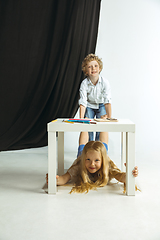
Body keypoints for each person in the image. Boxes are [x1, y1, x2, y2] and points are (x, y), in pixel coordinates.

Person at [46, 132, 139, 194]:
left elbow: (120, 176)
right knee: (82, 145)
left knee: (104, 145)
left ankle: (103, 123)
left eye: (97, 161)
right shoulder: (80, 164)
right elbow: (64, 178)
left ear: (102, 161)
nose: (92, 164)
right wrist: (56, 180)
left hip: (99, 154)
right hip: (83, 154)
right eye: (88, 160)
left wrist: (129, 175)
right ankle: (85, 125)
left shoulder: (106, 165)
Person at [79, 53, 112, 141]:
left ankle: (99, 149)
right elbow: (83, 101)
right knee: (87, 126)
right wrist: (81, 119)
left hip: (101, 105)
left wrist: (109, 117)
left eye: (96, 66)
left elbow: (107, 100)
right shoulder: (84, 84)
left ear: (100, 68)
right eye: (90, 67)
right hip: (89, 105)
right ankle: (89, 147)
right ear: (86, 71)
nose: (93, 68)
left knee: (101, 127)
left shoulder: (105, 82)